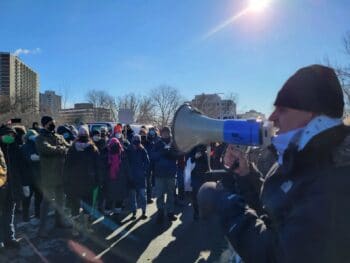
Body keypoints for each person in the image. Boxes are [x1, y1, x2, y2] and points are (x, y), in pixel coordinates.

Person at [198, 65, 350, 262]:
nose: (272, 118)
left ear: (311, 112)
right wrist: (247, 176)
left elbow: (278, 255)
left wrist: (226, 204)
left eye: (282, 109)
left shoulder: (338, 180)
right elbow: (278, 209)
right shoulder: (307, 157)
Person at [35, 116, 71, 238]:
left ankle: (59, 221)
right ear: (45, 124)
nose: (53, 125)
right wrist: (61, 149)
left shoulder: (58, 136)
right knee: (46, 203)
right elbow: (46, 149)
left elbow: (68, 147)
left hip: (61, 174)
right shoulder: (40, 138)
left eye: (54, 123)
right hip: (49, 175)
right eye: (51, 123)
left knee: (61, 201)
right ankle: (42, 229)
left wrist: (64, 148)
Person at [64, 126, 99, 236]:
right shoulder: (93, 148)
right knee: (88, 205)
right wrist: (98, 180)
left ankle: (75, 229)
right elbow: (97, 167)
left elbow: (67, 167)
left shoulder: (72, 148)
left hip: (74, 182)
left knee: (75, 206)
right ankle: (87, 227)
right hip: (89, 181)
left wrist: (66, 181)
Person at [0, 125, 22, 250]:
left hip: (12, 187)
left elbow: (20, 168)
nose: (10, 137)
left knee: (9, 214)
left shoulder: (15, 149)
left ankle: (10, 238)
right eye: (8, 135)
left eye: (12, 135)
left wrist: (24, 185)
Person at [152, 127, 178, 222]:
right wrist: (162, 151)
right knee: (160, 195)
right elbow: (153, 156)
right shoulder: (157, 144)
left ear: (169, 133)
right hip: (159, 174)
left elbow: (178, 155)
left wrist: (171, 153)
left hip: (171, 173)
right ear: (161, 134)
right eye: (164, 133)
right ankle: (160, 212)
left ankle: (170, 212)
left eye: (167, 133)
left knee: (171, 194)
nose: (165, 134)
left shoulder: (173, 144)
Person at [101, 138, 129, 215]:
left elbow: (126, 167)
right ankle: (114, 214)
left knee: (111, 199)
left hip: (114, 180)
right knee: (115, 199)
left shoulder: (121, 154)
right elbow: (127, 168)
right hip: (115, 181)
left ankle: (111, 214)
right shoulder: (122, 154)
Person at [21, 129, 42, 221]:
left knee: (37, 197)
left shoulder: (35, 145)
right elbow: (32, 158)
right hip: (29, 177)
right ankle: (26, 217)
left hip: (34, 177)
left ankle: (36, 215)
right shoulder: (26, 147)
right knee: (28, 198)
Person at [127, 135, 150, 220]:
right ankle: (134, 213)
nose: (136, 141)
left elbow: (147, 162)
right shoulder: (128, 150)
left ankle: (144, 212)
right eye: (134, 139)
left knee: (143, 196)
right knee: (132, 197)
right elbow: (126, 163)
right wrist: (129, 174)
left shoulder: (143, 150)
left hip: (140, 178)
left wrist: (143, 171)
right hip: (131, 177)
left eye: (138, 140)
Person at [190, 145, 209, 220]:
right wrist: (195, 156)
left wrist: (206, 154)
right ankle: (196, 212)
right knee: (195, 195)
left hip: (206, 175)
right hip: (196, 175)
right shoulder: (194, 146)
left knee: (206, 195)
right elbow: (190, 159)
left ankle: (205, 212)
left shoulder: (209, 145)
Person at [144, 127, 160, 204]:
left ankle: (155, 194)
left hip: (156, 162)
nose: (151, 132)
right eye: (150, 131)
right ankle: (149, 196)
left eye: (153, 131)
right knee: (148, 179)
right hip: (148, 162)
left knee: (155, 179)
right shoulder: (147, 139)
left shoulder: (158, 139)